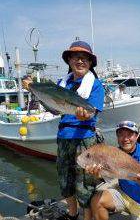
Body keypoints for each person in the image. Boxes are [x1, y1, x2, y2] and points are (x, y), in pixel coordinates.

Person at [23, 40, 105, 220]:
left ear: (90, 63)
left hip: (84, 140)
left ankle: (87, 217)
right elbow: (54, 108)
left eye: (85, 58)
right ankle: (73, 214)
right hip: (63, 138)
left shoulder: (96, 85)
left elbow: (93, 112)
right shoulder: (62, 84)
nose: (81, 61)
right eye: (76, 57)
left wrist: (86, 115)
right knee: (64, 181)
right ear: (69, 61)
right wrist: (31, 88)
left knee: (85, 184)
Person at [86, 120, 140, 220]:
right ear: (117, 138)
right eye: (121, 135)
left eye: (130, 134)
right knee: (96, 200)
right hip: (123, 194)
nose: (125, 139)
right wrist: (98, 175)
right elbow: (107, 176)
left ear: (136, 136)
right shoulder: (113, 153)